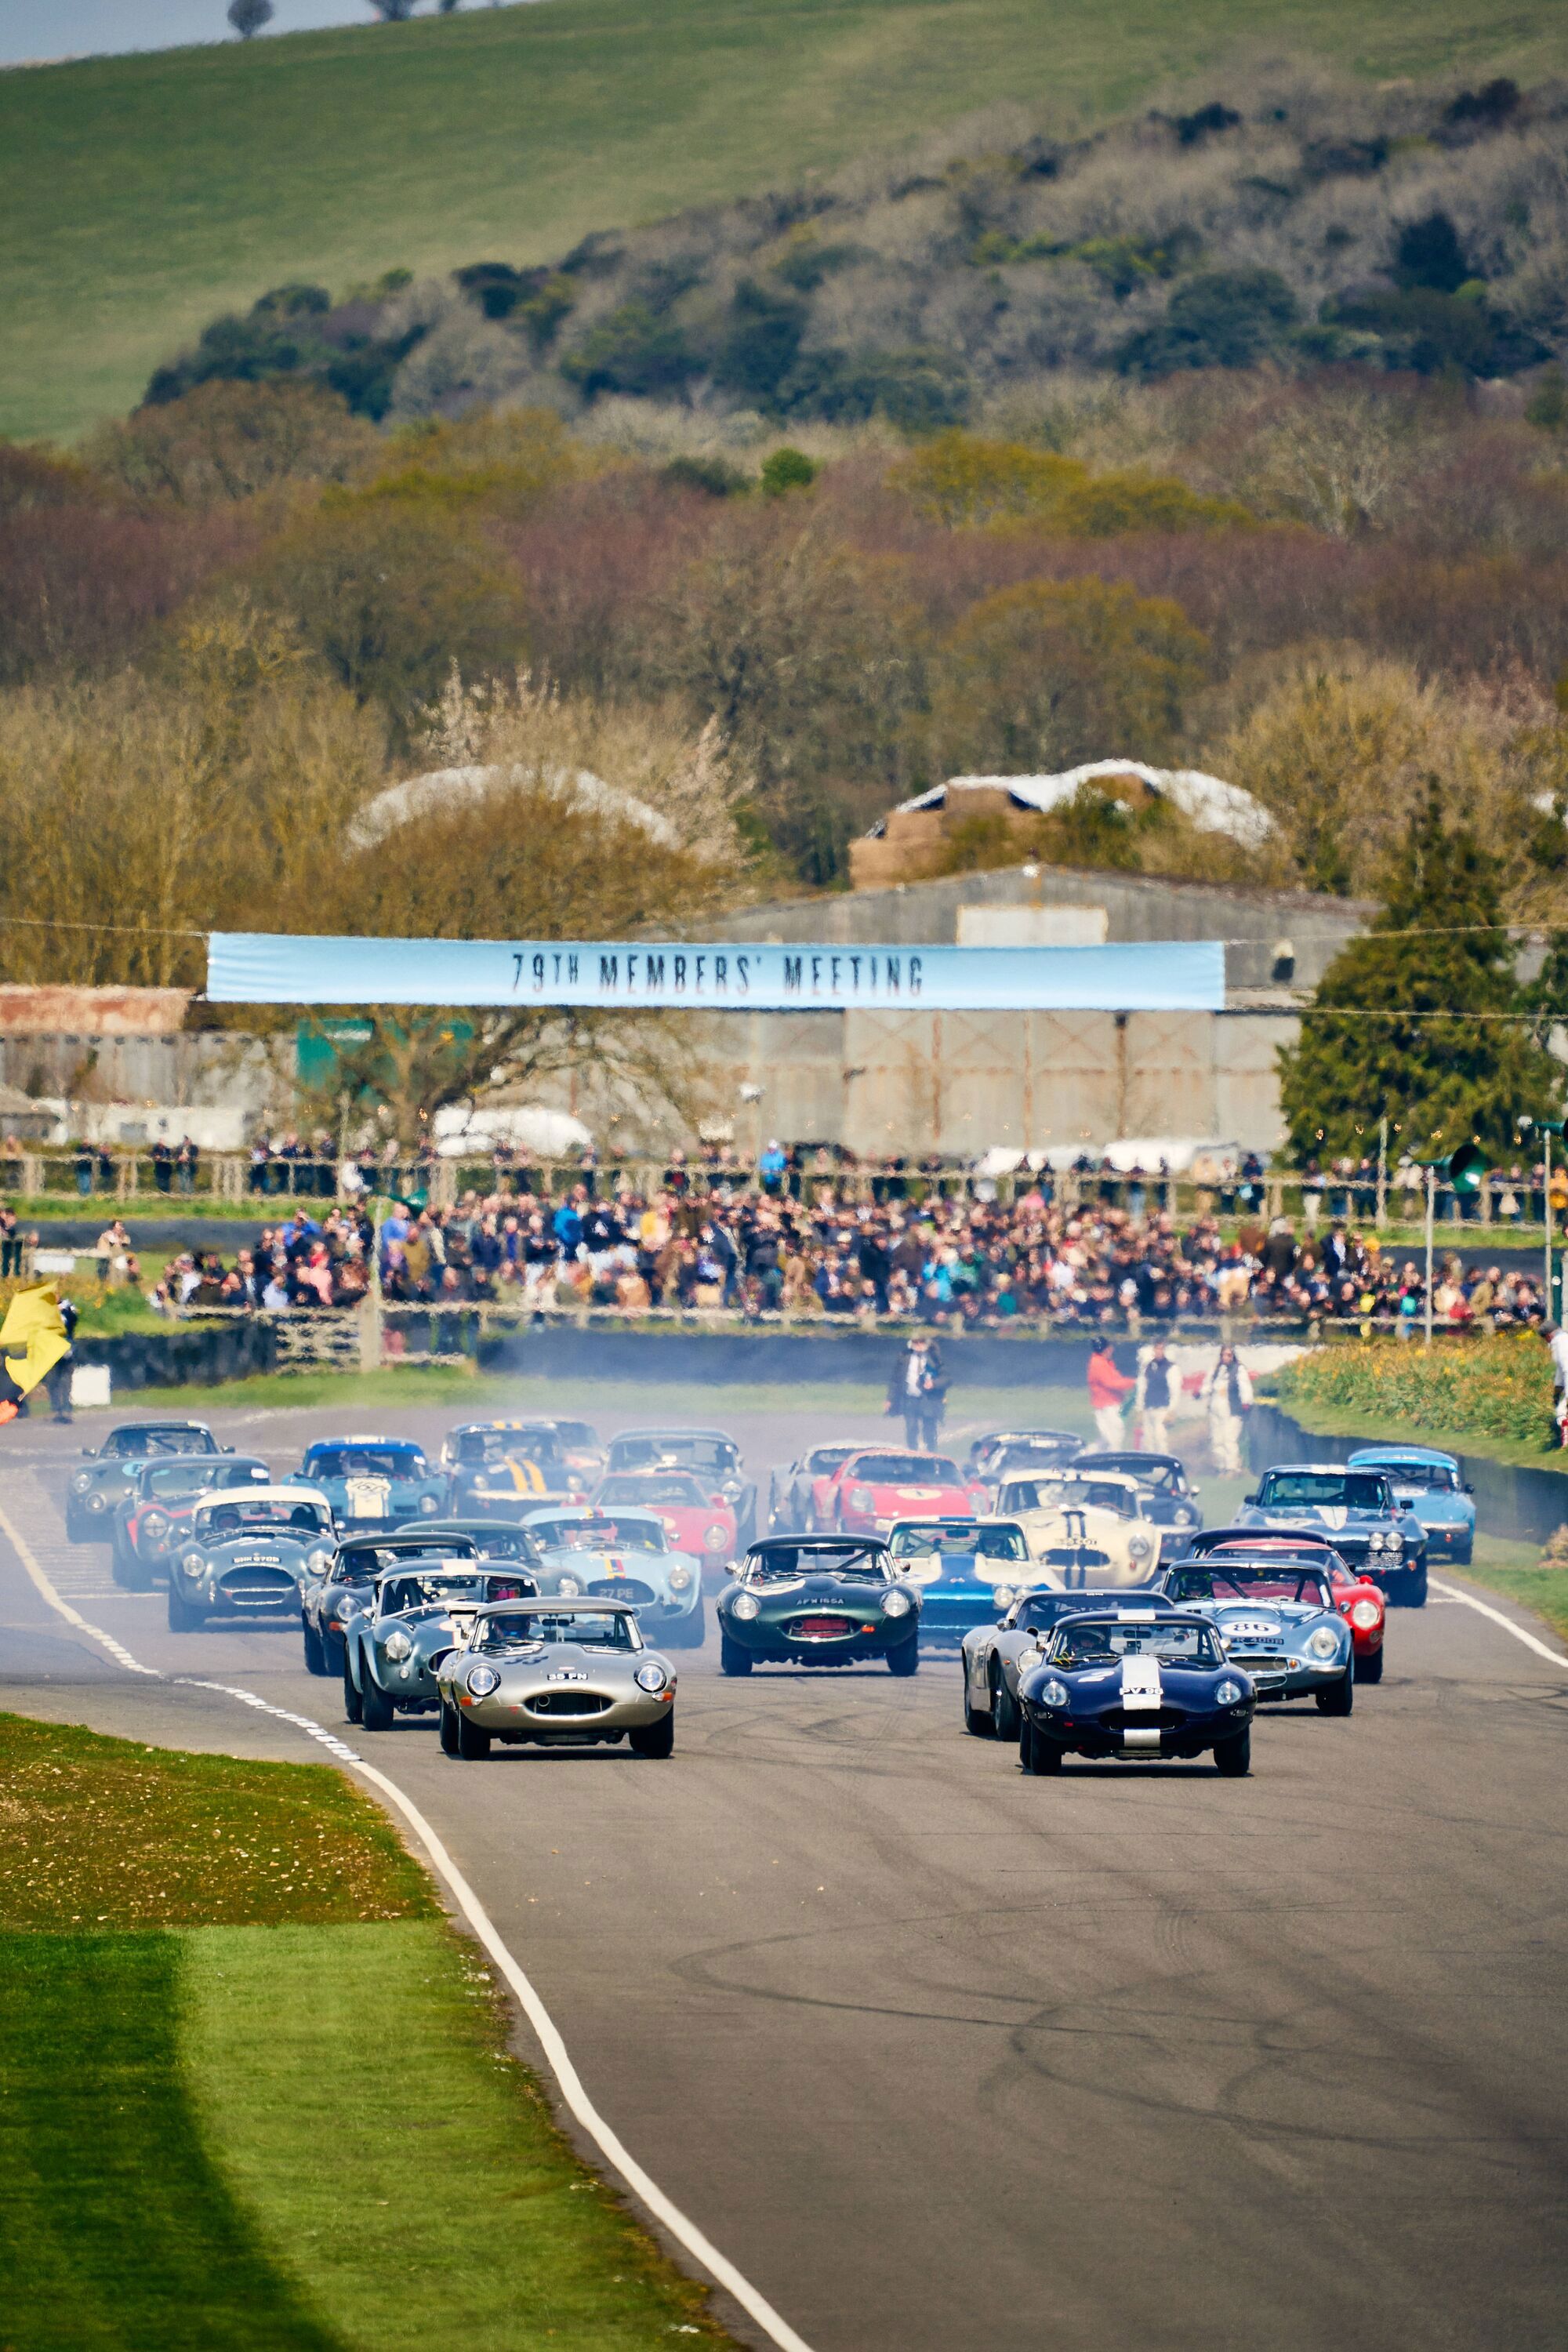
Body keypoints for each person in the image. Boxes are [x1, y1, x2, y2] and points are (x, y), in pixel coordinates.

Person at [1201, 1343, 1254, 1474]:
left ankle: (1232, 1468)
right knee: (1217, 1440)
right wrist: (1200, 1392)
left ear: (1233, 1356)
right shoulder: (1216, 1370)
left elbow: (1245, 1387)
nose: (1226, 1357)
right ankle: (1221, 1467)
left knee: (1229, 1440)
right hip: (1215, 1409)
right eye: (1223, 1355)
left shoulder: (1238, 1369)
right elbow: (1208, 1385)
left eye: (1229, 1355)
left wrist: (1246, 1402)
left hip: (1232, 1410)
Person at [888, 1330, 945, 1449]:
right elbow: (895, 1379)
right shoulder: (904, 1357)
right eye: (916, 1342)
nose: (918, 1345)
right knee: (911, 1428)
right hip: (910, 1399)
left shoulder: (934, 1357)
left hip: (928, 1399)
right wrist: (890, 1399)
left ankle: (931, 1453)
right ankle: (912, 1452)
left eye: (921, 1342)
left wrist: (934, 1383)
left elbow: (946, 1377)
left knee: (929, 1429)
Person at [1087, 1339, 1134, 1447]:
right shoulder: (1099, 1363)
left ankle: (1086, 1455)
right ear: (1106, 1349)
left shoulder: (1102, 1362)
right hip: (1108, 1405)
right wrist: (1133, 1382)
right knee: (1115, 1435)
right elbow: (1111, 1383)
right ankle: (1113, 1458)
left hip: (1106, 1405)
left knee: (1106, 1439)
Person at [1135, 1338, 1175, 1453]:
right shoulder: (1148, 1367)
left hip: (1162, 1408)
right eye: (1156, 1348)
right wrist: (1139, 1410)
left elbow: (1174, 1391)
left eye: (1161, 1348)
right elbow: (1142, 1388)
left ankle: (1162, 1467)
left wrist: (1171, 1411)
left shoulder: (1170, 1367)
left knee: (1160, 1439)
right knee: (1148, 1440)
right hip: (1148, 1408)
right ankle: (1151, 1468)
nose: (1158, 1351)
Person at [45, 1294, 78, 1422]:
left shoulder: (68, 1306)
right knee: (52, 1381)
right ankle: (56, 1410)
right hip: (51, 1350)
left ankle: (67, 1410)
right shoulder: (45, 1308)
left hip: (67, 1350)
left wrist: (64, 1310)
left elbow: (74, 1320)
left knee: (66, 1382)